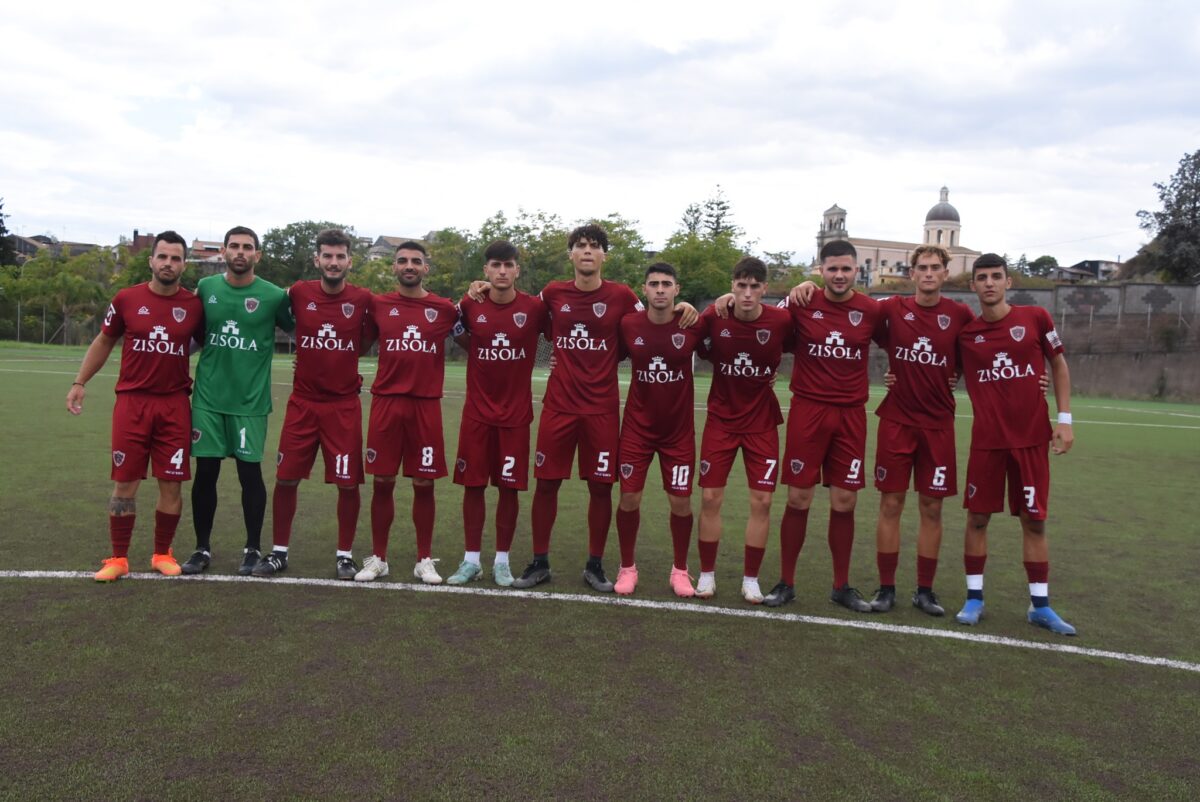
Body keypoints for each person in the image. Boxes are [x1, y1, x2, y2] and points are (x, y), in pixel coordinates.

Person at [788, 244, 973, 615]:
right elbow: (757, 307)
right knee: (877, 503)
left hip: (929, 423)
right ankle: (878, 588)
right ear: (911, 273)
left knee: (926, 507)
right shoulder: (885, 308)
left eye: (935, 268)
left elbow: (979, 348)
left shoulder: (954, 314)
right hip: (879, 419)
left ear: (945, 273)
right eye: (922, 268)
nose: (928, 274)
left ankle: (922, 590)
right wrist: (794, 286)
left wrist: (956, 375)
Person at [510, 224, 645, 592]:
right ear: (571, 254)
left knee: (601, 488)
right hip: (559, 406)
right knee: (547, 484)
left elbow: (646, 328)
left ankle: (595, 564)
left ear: (604, 255)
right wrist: (481, 290)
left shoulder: (622, 295)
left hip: (601, 408)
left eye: (595, 246)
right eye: (581, 246)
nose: (587, 251)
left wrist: (682, 306)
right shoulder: (552, 293)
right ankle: (539, 562)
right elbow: (520, 313)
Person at [67, 231, 204, 581]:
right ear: (151, 260)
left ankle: (162, 552)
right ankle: (118, 558)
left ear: (184, 264)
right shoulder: (127, 299)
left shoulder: (194, 306)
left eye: (175, 258)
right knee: (124, 483)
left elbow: (210, 346)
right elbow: (104, 341)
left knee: (171, 484)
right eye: (163, 257)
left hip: (174, 405)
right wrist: (80, 382)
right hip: (132, 404)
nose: (168, 264)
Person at [955, 253, 1076, 634]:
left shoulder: (1036, 318)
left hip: (1030, 439)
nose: (989, 283)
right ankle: (974, 598)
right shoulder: (966, 336)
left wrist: (1065, 420)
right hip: (987, 443)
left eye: (996, 276)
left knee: (1034, 522)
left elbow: (1058, 364)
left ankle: (1040, 606)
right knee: (977, 518)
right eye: (981, 278)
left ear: (1008, 282)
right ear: (972, 286)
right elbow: (937, 371)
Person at [251, 229, 372, 580]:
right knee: (286, 479)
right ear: (317, 259)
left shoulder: (363, 298)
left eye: (340, 256)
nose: (334, 262)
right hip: (303, 404)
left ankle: (345, 556)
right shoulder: (299, 292)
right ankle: (279, 553)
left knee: (348, 483)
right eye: (327, 256)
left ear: (350, 260)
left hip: (343, 406)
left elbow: (373, 333)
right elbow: (268, 304)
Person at [767, 239, 881, 610]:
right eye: (832, 268)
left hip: (850, 415)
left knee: (845, 501)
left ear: (856, 270)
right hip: (809, 410)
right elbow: (764, 322)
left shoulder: (870, 310)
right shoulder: (802, 302)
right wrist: (724, 301)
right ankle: (786, 582)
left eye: (846, 268)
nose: (839, 275)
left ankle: (841, 585)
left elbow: (912, 342)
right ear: (820, 269)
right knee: (799, 497)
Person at [183, 226, 294, 575]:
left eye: (248, 247)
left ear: (258, 256)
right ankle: (202, 549)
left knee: (250, 475)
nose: (241, 252)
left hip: (250, 403)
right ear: (225, 252)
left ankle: (252, 548)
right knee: (206, 474)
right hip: (208, 399)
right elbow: (194, 335)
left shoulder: (274, 296)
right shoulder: (206, 288)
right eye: (234, 246)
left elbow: (303, 332)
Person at [445, 240, 547, 587]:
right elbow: (456, 332)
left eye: (508, 265)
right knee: (472, 487)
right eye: (495, 265)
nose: (502, 271)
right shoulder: (470, 304)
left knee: (509, 488)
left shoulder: (534, 308)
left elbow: (562, 332)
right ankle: (471, 559)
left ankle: (502, 561)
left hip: (516, 416)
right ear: (485, 271)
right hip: (476, 414)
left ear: (517, 270)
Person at [355, 241, 457, 584]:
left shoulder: (444, 309)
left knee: (424, 482)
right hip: (386, 403)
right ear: (394, 267)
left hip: (425, 405)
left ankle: (424, 559)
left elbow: (481, 329)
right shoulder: (378, 304)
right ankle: (378, 558)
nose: (409, 265)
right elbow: (353, 342)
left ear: (426, 268)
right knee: (382, 480)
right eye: (402, 261)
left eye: (415, 261)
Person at [694, 257, 794, 603]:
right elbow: (685, 330)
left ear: (764, 289)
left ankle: (751, 579)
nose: (748, 293)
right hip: (721, 421)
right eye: (741, 285)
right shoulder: (715, 316)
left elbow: (810, 342)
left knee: (763, 501)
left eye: (755, 287)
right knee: (710, 498)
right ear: (732, 286)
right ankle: (706, 575)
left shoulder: (781, 320)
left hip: (761, 423)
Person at [613, 262, 706, 597]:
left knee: (681, 503)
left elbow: (729, 339)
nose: (661, 289)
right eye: (654, 284)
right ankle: (627, 568)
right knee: (629, 498)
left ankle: (680, 570)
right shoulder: (628, 324)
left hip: (678, 434)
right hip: (637, 430)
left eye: (667, 284)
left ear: (677, 290)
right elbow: (604, 355)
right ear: (645, 289)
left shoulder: (693, 324)